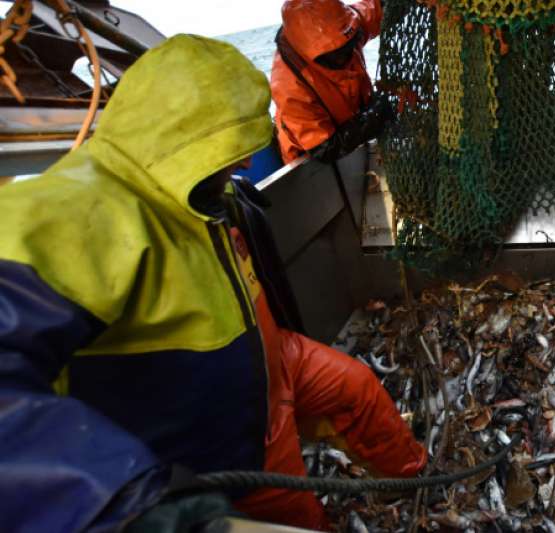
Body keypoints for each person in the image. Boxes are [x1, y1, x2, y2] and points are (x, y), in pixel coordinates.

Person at [0, 34, 425, 532]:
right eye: (230, 147)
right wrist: (113, 504)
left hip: (276, 362)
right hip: (228, 446)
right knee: (304, 522)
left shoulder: (191, 189)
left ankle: (416, 487)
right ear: (180, 139)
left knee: (359, 390)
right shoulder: (77, 209)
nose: (246, 162)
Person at [270, 0, 393, 164]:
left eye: (350, 45)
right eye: (338, 54)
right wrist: (372, 118)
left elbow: (375, 9)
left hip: (354, 126)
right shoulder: (289, 86)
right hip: (308, 164)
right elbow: (324, 148)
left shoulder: (348, 24)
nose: (348, 54)